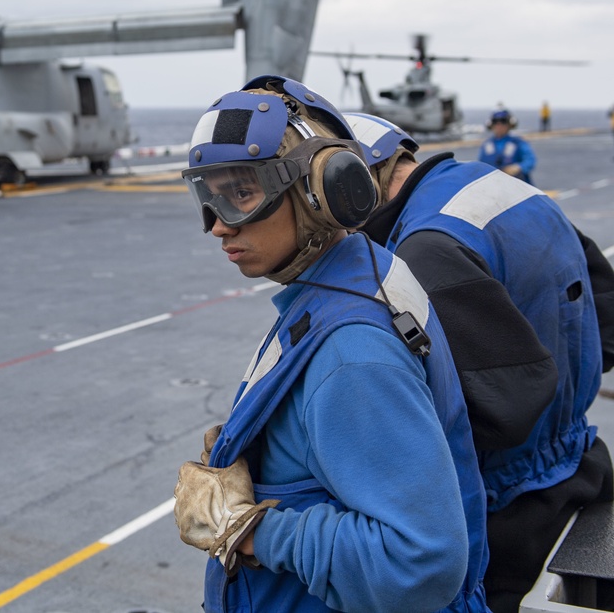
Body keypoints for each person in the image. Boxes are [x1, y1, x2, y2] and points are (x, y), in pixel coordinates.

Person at [172, 76, 489, 613]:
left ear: (326, 189)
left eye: (242, 194)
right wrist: (276, 443)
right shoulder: (362, 271)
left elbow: (420, 563)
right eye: (211, 195)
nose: (219, 227)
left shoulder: (352, 355)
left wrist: (252, 531)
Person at [346, 111, 614, 613]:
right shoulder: (495, 188)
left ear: (352, 181)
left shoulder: (423, 249)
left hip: (509, 515)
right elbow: (606, 306)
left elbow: (499, 410)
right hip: (582, 466)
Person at [478, 108, 536, 184]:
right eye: (495, 122)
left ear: (509, 124)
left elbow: (530, 160)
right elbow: (480, 165)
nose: (499, 125)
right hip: (494, 186)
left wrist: (518, 167)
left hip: (517, 186)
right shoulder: (486, 145)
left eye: (503, 121)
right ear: (491, 124)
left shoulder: (518, 143)